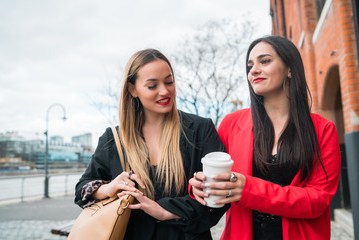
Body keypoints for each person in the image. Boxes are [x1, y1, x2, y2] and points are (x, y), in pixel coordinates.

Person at [189, 36, 341, 240]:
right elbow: (209, 177)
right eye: (250, 65)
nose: (253, 70)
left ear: (290, 69)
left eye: (265, 61)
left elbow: (317, 200)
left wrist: (249, 190)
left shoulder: (323, 129)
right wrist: (198, 187)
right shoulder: (231, 124)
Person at [74, 48, 228, 239]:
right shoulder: (113, 138)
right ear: (132, 89)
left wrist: (164, 211)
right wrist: (108, 187)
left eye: (169, 82)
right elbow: (82, 190)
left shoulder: (200, 129)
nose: (165, 91)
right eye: (152, 86)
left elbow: (220, 195)